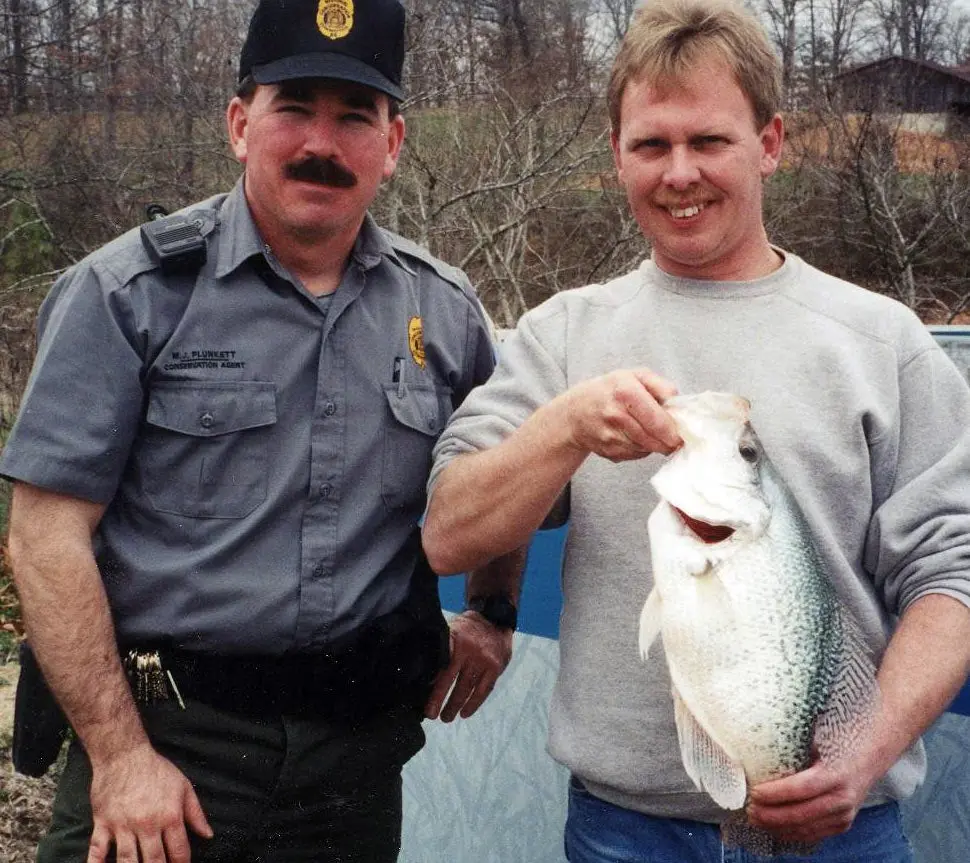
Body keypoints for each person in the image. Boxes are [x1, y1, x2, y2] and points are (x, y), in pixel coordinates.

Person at [422, 0, 970, 860]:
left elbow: (953, 570)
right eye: (651, 144)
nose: (680, 173)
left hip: (842, 825)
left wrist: (862, 755)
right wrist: (564, 427)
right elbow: (450, 532)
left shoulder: (882, 342)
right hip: (622, 829)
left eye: (710, 141)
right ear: (617, 156)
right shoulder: (562, 335)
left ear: (771, 143)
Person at [0, 1, 523, 861]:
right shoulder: (129, 294)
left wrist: (494, 610)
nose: (321, 142)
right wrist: (122, 757)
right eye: (294, 109)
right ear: (242, 125)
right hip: (167, 756)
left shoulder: (445, 311)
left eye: (355, 116)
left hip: (353, 769)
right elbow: (45, 535)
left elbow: (512, 466)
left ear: (393, 145)